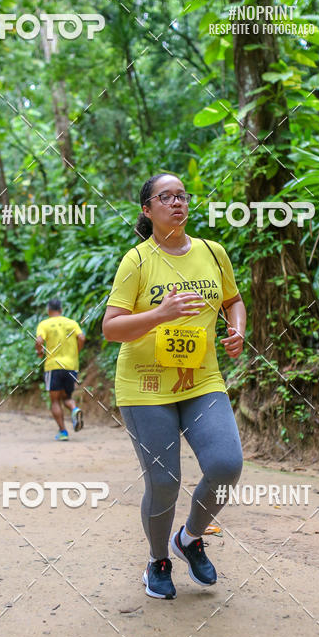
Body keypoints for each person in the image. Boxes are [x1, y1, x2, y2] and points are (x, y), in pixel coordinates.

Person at [102, 173, 246, 599]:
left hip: (201, 380)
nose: (177, 203)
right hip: (145, 386)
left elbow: (232, 300)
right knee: (164, 481)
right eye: (166, 197)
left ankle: (190, 537)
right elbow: (112, 328)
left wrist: (237, 329)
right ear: (147, 210)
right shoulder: (137, 261)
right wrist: (160, 315)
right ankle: (157, 560)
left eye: (182, 196)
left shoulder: (213, 253)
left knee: (225, 464)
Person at [35, 298, 85, 441]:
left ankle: (63, 432)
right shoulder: (72, 323)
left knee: (55, 400)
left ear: (48, 310)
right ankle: (75, 409)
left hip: (53, 366)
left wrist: (39, 353)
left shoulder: (44, 324)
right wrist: (76, 352)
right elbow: (81, 337)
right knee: (67, 397)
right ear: (61, 310)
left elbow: (39, 341)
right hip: (71, 366)